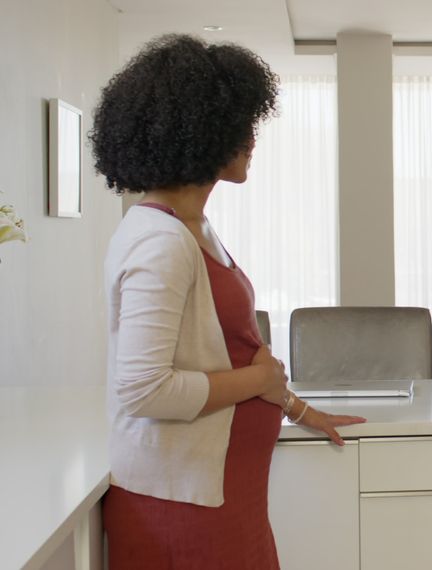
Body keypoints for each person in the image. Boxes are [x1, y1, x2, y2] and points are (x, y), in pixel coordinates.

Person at [92, 34, 365, 568]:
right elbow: (143, 391)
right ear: (198, 132)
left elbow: (225, 352)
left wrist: (295, 406)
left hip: (222, 491)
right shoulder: (160, 241)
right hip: (180, 504)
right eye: (241, 125)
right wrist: (261, 382)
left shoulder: (192, 228)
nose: (251, 139)